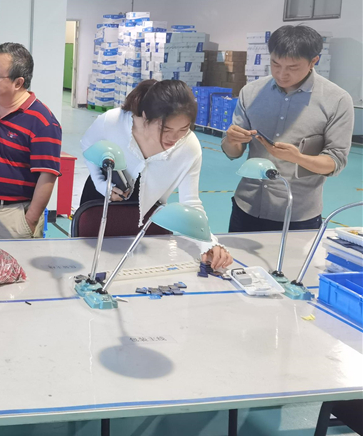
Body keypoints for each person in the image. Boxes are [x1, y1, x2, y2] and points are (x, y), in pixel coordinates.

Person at [80, 79, 233, 269]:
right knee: (91, 265)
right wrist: (100, 184)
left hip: (146, 219)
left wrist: (208, 243)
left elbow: (190, 202)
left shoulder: (189, 147)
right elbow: (87, 144)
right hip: (98, 205)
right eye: (165, 129)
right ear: (146, 116)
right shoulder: (114, 121)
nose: (174, 137)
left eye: (183, 129)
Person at [222, 25, 354, 232]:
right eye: (275, 63)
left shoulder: (337, 100)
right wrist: (231, 141)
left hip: (298, 215)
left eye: (293, 67)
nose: (281, 74)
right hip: (246, 206)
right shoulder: (251, 92)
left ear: (313, 61)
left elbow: (335, 161)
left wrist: (298, 158)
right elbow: (233, 153)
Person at [0, 42, 61, 239]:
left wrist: (29, 220)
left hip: (12, 216)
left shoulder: (42, 121)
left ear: (18, 83)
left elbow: (47, 175)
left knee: (11, 261)